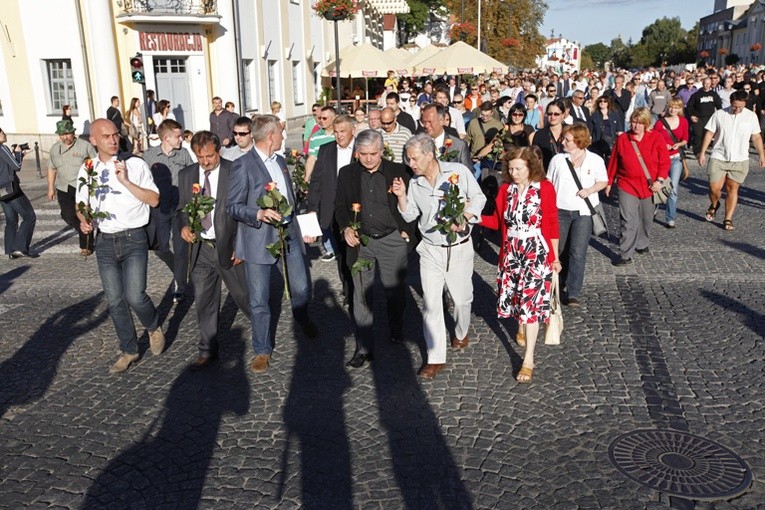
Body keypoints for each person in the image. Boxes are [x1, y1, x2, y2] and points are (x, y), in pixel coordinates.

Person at [227, 114, 318, 373]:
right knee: (259, 299)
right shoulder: (243, 165)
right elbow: (232, 206)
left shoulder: (280, 160)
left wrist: (303, 226)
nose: (282, 136)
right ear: (270, 136)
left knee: (301, 287)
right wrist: (258, 214)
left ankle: (301, 316)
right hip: (258, 239)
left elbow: (290, 198)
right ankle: (262, 349)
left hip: (287, 232)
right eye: (280, 132)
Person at [391, 133, 486, 380]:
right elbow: (411, 215)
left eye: (413, 158)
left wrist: (465, 216)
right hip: (430, 250)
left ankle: (461, 331)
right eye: (408, 159)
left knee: (462, 300)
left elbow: (479, 197)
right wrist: (401, 196)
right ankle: (435, 358)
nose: (410, 163)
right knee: (431, 305)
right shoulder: (415, 183)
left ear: (429, 154)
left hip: (459, 248)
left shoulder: (457, 172)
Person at [76, 119, 164, 373]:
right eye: (106, 136)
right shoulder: (88, 168)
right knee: (114, 300)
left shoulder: (134, 164)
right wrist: (84, 220)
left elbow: (155, 199)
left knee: (135, 295)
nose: (113, 140)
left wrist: (125, 181)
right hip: (104, 241)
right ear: (93, 140)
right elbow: (81, 204)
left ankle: (152, 326)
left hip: (133, 237)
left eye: (116, 135)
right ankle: (129, 350)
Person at [333, 130, 416, 368]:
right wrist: (346, 228)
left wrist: (406, 231)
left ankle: (396, 328)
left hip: (392, 240)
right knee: (361, 295)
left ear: (382, 151)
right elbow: (340, 207)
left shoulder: (398, 171)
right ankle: (364, 347)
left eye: (373, 154)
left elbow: (411, 204)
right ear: (357, 152)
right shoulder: (347, 174)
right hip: (361, 243)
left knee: (394, 292)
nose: (368, 159)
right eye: (363, 154)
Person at [482, 146, 560, 383]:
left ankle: (528, 360)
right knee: (517, 298)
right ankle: (520, 325)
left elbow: (552, 222)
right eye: (510, 168)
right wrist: (473, 216)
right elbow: (496, 222)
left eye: (518, 168)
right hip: (512, 253)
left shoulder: (544, 188)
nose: (513, 172)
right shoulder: (506, 190)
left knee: (532, 305)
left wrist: (555, 258)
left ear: (530, 167)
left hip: (536, 251)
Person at [177, 131, 250, 370]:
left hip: (228, 246)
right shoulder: (186, 175)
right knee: (204, 301)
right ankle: (208, 349)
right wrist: (184, 227)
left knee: (244, 296)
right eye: (201, 157)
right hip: (201, 249)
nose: (206, 162)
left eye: (210, 156)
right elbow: (181, 209)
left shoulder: (235, 169)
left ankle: (262, 337)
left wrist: (240, 245)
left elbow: (245, 210)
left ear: (218, 150)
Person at [546, 125, 607, 306]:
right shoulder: (558, 159)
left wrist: (590, 190)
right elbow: (549, 182)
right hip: (559, 210)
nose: (563, 142)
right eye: (564, 139)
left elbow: (603, 181)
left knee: (578, 252)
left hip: (583, 212)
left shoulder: (594, 160)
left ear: (579, 142)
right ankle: (558, 283)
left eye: (567, 140)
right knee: (559, 250)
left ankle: (573, 291)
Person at [606, 107, 670, 265]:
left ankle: (642, 243)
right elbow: (614, 161)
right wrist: (609, 182)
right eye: (633, 122)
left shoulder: (656, 137)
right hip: (626, 184)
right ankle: (625, 254)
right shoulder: (623, 139)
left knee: (646, 218)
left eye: (640, 123)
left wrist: (659, 181)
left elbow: (664, 161)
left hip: (649, 186)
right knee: (628, 220)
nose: (635, 126)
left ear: (646, 124)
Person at [697, 90, 765, 231]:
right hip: (719, 156)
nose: (737, 109)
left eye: (740, 107)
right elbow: (710, 132)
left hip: (740, 159)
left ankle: (728, 218)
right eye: (735, 106)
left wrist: (761, 155)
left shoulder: (751, 116)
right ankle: (714, 204)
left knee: (732, 189)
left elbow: (756, 137)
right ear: (730, 102)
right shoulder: (720, 114)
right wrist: (702, 152)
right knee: (714, 188)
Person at [143, 119, 194, 302]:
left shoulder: (184, 154)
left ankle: (179, 285)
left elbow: (192, 177)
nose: (181, 139)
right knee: (161, 247)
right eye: (178, 136)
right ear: (166, 138)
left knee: (181, 249)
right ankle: (179, 269)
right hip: (160, 207)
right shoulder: (149, 156)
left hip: (180, 207)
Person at [307, 115, 355, 308]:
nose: (339, 136)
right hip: (333, 210)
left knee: (355, 253)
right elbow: (316, 182)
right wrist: (312, 209)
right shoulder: (326, 150)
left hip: (355, 211)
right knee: (342, 253)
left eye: (342, 131)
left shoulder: (361, 149)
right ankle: (348, 288)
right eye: (336, 132)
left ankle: (357, 290)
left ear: (352, 131)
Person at [46, 119, 97, 256]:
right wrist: (50, 188)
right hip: (63, 187)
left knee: (84, 214)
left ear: (73, 132)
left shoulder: (84, 146)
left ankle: (86, 246)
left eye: (67, 134)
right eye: (62, 135)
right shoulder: (55, 149)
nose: (65, 137)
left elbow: (96, 164)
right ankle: (84, 229)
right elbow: (52, 168)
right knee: (67, 215)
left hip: (81, 186)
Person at [0, 127, 37, 259]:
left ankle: (10, 250)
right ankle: (20, 248)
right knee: (29, 216)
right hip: (11, 189)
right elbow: (16, 166)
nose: (4, 134)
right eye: (2, 132)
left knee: (11, 220)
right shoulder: (2, 148)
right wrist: (18, 154)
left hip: (1, 192)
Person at [653, 97, 689, 228]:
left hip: (675, 158)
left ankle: (670, 218)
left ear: (680, 109)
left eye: (676, 107)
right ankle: (653, 208)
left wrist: (678, 144)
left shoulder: (684, 122)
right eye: (671, 107)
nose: (673, 109)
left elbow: (685, 139)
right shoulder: (660, 123)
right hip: (660, 159)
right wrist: (663, 145)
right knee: (657, 185)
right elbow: (653, 139)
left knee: (673, 189)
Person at [420, 104, 472, 169]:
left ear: (441, 121)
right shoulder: (418, 144)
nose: (426, 125)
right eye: (424, 122)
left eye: (430, 122)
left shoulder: (459, 146)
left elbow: (468, 174)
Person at [686, 77, 721, 157]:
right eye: (705, 83)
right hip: (698, 118)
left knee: (708, 135)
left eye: (708, 83)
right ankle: (697, 152)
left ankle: (704, 151)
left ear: (710, 84)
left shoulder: (714, 94)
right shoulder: (696, 95)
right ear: (702, 84)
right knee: (698, 135)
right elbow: (689, 106)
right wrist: (691, 116)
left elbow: (719, 106)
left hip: (710, 118)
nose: (706, 85)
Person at [530, 99, 566, 171]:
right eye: (549, 114)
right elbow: (535, 157)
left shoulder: (571, 131)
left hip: (567, 173)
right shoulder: (540, 134)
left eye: (556, 114)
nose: (552, 117)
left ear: (563, 115)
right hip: (546, 173)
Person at [589, 95, 624, 165]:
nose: (602, 103)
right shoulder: (594, 115)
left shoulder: (614, 114)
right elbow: (590, 129)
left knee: (610, 162)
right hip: (597, 141)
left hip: (611, 142)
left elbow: (619, 129)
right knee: (598, 162)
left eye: (605, 101)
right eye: (600, 101)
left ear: (608, 103)